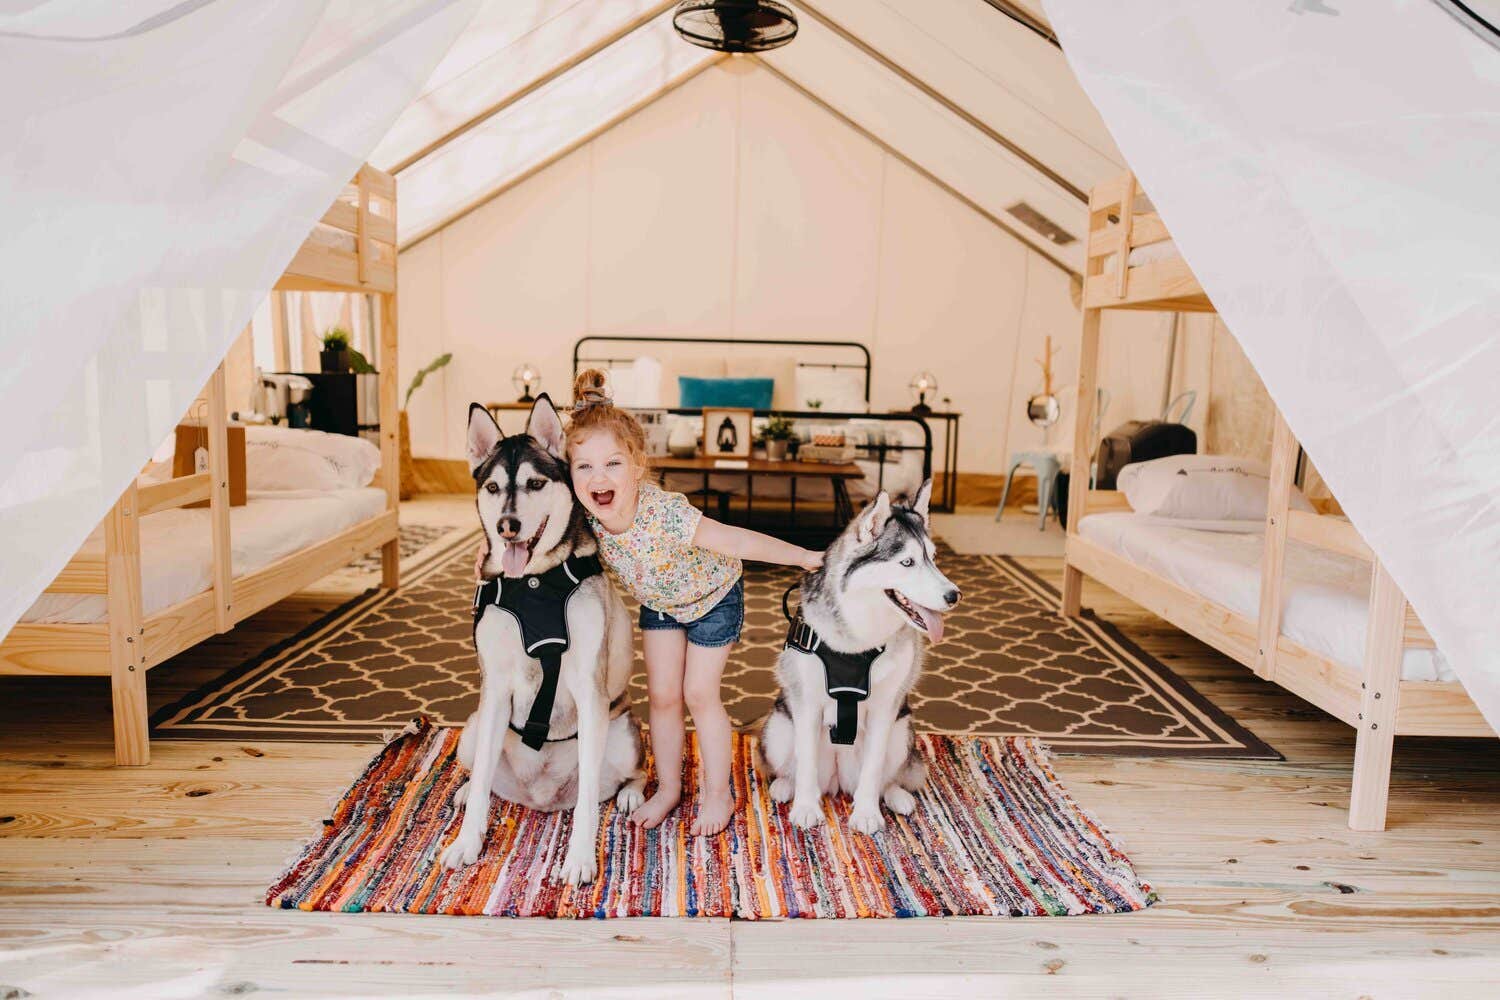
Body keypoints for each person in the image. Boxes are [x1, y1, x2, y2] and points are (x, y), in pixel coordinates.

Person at [565, 369, 821, 835]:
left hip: (714, 598)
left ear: (638, 466)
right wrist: (495, 550)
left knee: (698, 694)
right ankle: (668, 788)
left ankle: (718, 794)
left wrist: (803, 556)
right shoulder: (586, 516)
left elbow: (738, 540)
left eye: (613, 464)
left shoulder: (665, 513)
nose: (598, 477)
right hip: (662, 604)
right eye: (584, 467)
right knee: (662, 697)